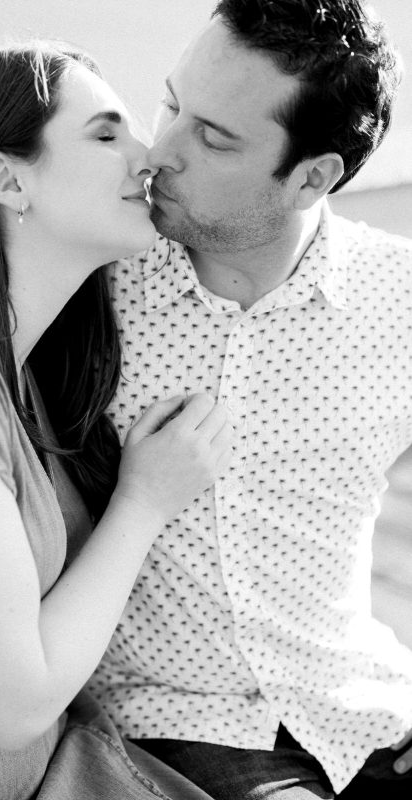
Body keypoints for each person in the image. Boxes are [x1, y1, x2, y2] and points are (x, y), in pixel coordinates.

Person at [0, 41, 234, 799]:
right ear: (8, 179)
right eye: (106, 135)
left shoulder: (24, 369)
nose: (149, 157)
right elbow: (16, 702)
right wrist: (143, 503)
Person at [84, 1, 412, 798]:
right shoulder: (88, 282)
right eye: (170, 105)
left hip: (365, 708)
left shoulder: (399, 298)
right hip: (183, 725)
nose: (158, 151)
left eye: (213, 137)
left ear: (313, 176)